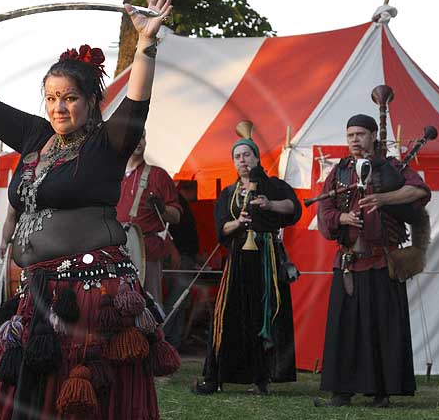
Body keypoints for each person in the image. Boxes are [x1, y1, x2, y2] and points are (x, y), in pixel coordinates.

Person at [0, 0, 175, 420]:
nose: (58, 107)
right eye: (50, 98)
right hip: (41, 291)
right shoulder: (35, 138)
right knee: (37, 388)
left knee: (78, 392)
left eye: (69, 97)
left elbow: (138, 100)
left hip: (93, 293)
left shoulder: (108, 142)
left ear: (91, 101)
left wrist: (145, 45)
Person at [315, 113, 431, 407]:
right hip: (348, 264)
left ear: (372, 136)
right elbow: (323, 212)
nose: (355, 140)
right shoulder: (339, 172)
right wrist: (342, 216)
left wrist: (384, 199)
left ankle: (382, 392)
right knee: (346, 329)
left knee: (383, 329)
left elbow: (419, 191)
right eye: (350, 135)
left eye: (361, 134)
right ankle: (342, 392)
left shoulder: (391, 167)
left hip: (382, 262)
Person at [193, 131, 301, 395]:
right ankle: (217, 376)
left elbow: (293, 207)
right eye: (237, 157)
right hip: (239, 259)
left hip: (267, 258)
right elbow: (222, 229)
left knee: (264, 314)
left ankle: (263, 378)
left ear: (256, 158)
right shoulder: (228, 193)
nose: (242, 160)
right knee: (228, 315)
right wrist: (238, 223)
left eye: (247, 155)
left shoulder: (273, 185)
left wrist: (270, 204)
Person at [117, 131, 180, 305]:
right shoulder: (112, 175)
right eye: (133, 136)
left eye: (142, 136)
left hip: (147, 252)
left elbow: (176, 216)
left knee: (150, 305)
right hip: (117, 253)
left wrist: (162, 209)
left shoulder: (158, 175)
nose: (139, 141)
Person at [162, 180, 200, 349]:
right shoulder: (176, 202)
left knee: (180, 301)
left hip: (185, 257)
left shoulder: (181, 204)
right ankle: (165, 338)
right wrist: (173, 251)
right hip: (180, 257)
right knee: (176, 300)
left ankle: (174, 341)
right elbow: (165, 228)